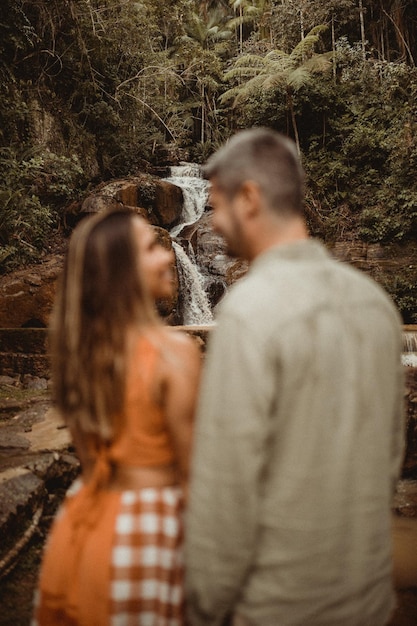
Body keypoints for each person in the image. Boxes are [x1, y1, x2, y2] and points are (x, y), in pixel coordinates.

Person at [185, 128, 405, 626]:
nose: (214, 222)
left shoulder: (249, 313)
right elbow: (389, 456)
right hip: (367, 601)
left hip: (276, 607)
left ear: (249, 198)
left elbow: (226, 492)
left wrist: (205, 607)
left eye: (217, 205)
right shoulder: (375, 304)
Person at [33, 209, 201, 625]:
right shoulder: (174, 353)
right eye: (150, 248)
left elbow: (92, 463)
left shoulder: (81, 355)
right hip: (148, 531)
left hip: (84, 526)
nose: (166, 256)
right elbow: (195, 480)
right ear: (122, 271)